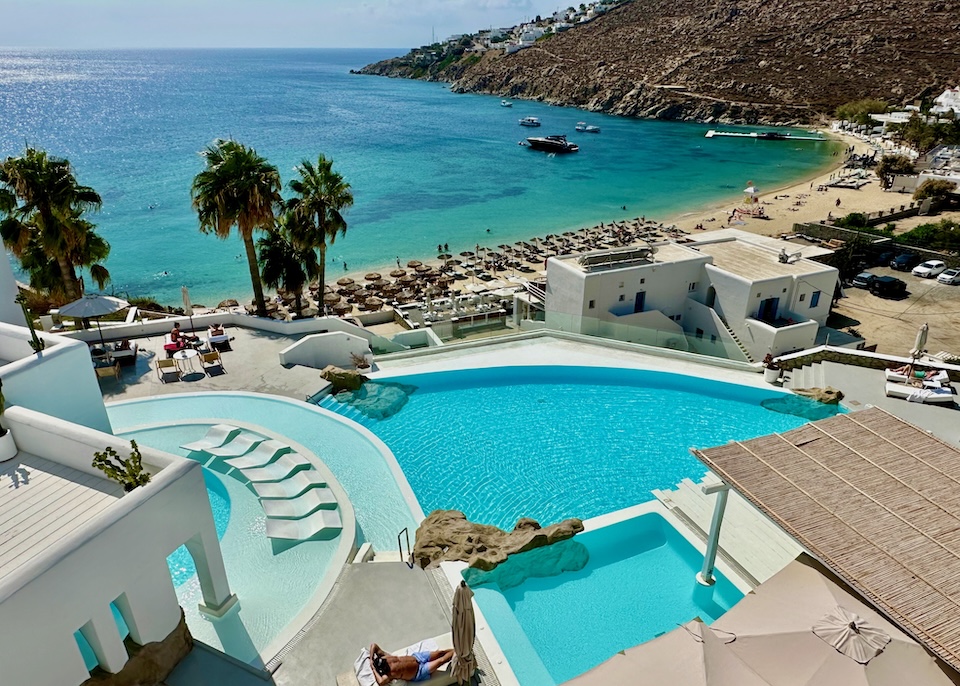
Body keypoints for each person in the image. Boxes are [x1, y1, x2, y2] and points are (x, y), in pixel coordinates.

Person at [369, 643, 454, 685]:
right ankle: (459, 653)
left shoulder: (384, 657)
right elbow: (381, 682)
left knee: (440, 653)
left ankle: (456, 649)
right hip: (419, 671)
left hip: (417, 657)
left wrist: (371, 659)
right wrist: (373, 668)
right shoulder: (389, 674)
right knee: (441, 661)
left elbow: (373, 645)